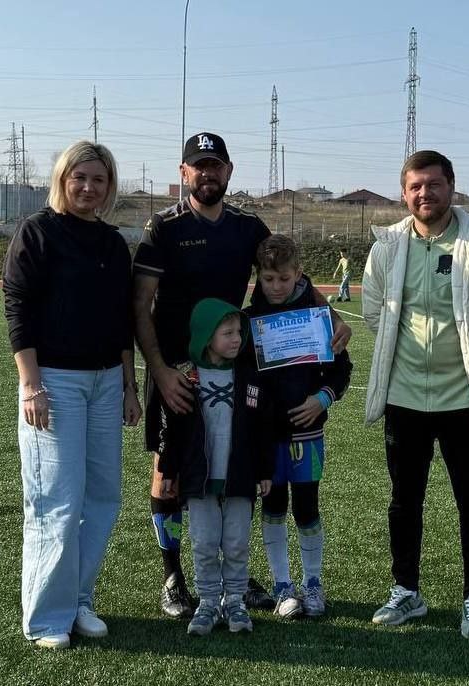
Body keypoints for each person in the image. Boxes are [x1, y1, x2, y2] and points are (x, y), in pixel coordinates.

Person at [133, 131, 352, 618]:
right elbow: (140, 303)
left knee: (233, 470)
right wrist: (160, 370)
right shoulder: (164, 227)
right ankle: (173, 576)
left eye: (216, 165)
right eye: (199, 165)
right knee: (169, 476)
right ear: (184, 172)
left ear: (228, 171)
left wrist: (330, 315)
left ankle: (235, 574)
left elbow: (289, 270)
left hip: (233, 369)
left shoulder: (247, 227)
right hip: (176, 372)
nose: (208, 173)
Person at [362, 150, 469, 641]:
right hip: (404, 396)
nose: (424, 194)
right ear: (403, 193)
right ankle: (406, 590)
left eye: (433, 184)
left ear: (452, 186)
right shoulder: (388, 246)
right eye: (415, 186)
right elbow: (374, 311)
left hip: (463, 400)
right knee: (403, 501)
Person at [2, 141, 141, 649]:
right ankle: (46, 618)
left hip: (106, 383)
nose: (88, 187)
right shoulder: (38, 231)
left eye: (99, 180)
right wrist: (31, 384)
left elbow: (122, 320)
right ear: (62, 179)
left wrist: (129, 386)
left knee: (102, 497)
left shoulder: (112, 243)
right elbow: (17, 307)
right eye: (79, 177)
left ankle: (79, 599)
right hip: (54, 382)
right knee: (56, 501)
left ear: (109, 187)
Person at [244, 235, 352, 619]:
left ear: (299, 275)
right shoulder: (250, 321)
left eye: (284, 279)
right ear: (259, 277)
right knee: (273, 507)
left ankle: (313, 583)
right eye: (268, 279)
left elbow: (342, 370)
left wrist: (322, 398)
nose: (276, 287)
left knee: (307, 508)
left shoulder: (317, 317)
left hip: (309, 437)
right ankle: (282, 586)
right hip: (267, 439)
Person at [157, 298, 274, 635]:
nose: (237, 338)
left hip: (239, 478)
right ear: (207, 337)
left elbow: (261, 430)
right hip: (200, 481)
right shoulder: (187, 378)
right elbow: (172, 431)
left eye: (239, 332)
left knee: (237, 544)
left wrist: (264, 471)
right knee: (205, 543)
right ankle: (208, 602)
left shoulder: (250, 378)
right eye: (228, 333)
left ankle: (235, 601)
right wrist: (169, 471)